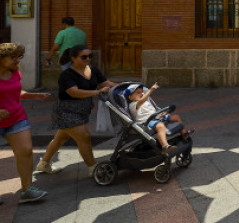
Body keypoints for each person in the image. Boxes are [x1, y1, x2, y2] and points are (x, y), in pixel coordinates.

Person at [36, 45, 116, 177]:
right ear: (73, 58)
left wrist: (126, 86)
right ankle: (93, 168)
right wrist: (97, 91)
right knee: (84, 136)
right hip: (66, 111)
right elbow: (74, 92)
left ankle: (44, 163)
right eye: (84, 57)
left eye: (90, 56)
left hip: (82, 111)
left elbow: (105, 82)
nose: (88, 59)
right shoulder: (66, 75)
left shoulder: (93, 70)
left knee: (61, 138)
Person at [0, 43, 49, 204]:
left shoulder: (15, 73)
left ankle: (27, 190)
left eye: (18, 56)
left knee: (26, 151)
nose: (17, 60)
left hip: (16, 118)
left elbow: (15, 92)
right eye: (12, 57)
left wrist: (34, 96)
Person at [125, 82, 193, 155]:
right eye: (138, 93)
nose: (142, 94)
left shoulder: (146, 102)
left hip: (157, 117)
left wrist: (161, 113)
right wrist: (151, 90)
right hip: (147, 122)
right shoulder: (133, 105)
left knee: (176, 117)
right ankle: (165, 146)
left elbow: (153, 110)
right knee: (160, 126)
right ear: (130, 97)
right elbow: (141, 101)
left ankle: (184, 134)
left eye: (142, 92)